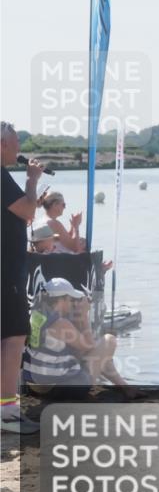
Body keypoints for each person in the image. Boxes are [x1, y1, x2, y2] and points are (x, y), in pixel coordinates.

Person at [22, 277, 134, 398]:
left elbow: (79, 351)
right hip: (58, 389)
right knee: (109, 341)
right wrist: (84, 315)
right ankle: (124, 388)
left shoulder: (36, 316)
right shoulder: (60, 324)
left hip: (34, 386)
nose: (73, 303)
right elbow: (89, 346)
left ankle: (125, 387)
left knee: (98, 355)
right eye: (71, 300)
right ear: (61, 300)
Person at [1, 121, 44, 434]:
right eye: (16, 143)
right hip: (6, 272)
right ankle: (7, 412)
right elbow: (28, 211)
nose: (19, 149)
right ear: (2, 144)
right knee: (14, 337)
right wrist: (31, 180)